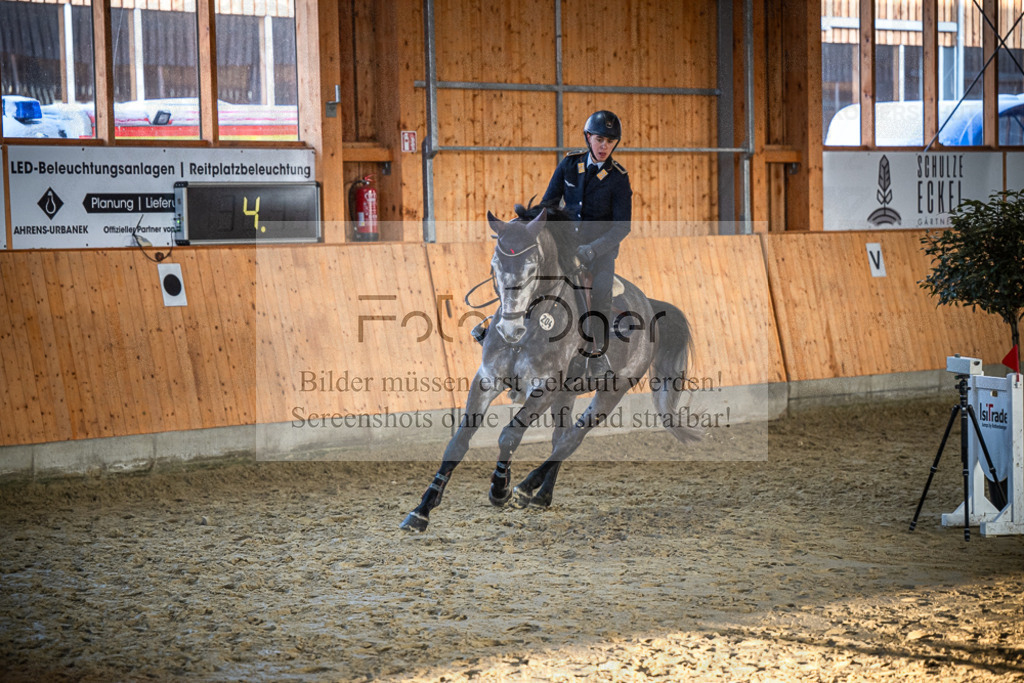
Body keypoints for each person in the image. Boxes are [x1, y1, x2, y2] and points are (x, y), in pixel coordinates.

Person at [541, 109, 632, 378]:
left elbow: (622, 226)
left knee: (601, 291)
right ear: (588, 137)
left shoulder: (618, 177)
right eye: (600, 140)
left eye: (610, 142)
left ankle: (597, 354)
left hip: (599, 252)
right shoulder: (570, 165)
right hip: (567, 247)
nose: (604, 146)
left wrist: (593, 249)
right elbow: (548, 204)